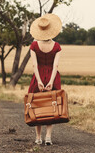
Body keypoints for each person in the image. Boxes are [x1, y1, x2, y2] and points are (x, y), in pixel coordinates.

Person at [28, 13, 62, 146]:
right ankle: (48, 137)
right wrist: (51, 81)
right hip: (53, 76)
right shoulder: (57, 46)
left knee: (38, 106)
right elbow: (56, 65)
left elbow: (34, 65)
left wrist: (39, 81)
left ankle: (38, 137)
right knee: (51, 106)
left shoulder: (34, 46)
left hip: (39, 76)